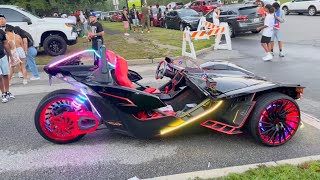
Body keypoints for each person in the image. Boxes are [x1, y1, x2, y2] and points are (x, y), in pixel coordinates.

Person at [0, 14, 14, 103]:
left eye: (2, 19)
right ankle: (3, 93)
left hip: (2, 56)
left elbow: (5, 44)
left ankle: (8, 91)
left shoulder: (1, 32)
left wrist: (11, 55)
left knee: (5, 74)